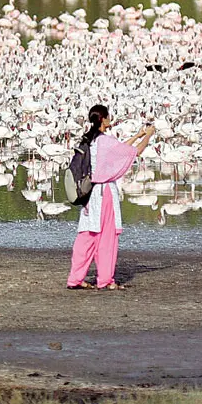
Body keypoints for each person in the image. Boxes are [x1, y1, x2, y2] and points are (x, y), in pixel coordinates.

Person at [66, 104, 155, 291]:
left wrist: (137, 135)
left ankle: (75, 278)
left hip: (90, 193)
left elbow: (119, 150)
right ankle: (106, 279)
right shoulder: (105, 141)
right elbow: (134, 152)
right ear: (104, 119)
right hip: (104, 192)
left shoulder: (90, 140)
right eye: (108, 116)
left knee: (87, 235)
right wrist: (148, 135)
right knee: (107, 237)